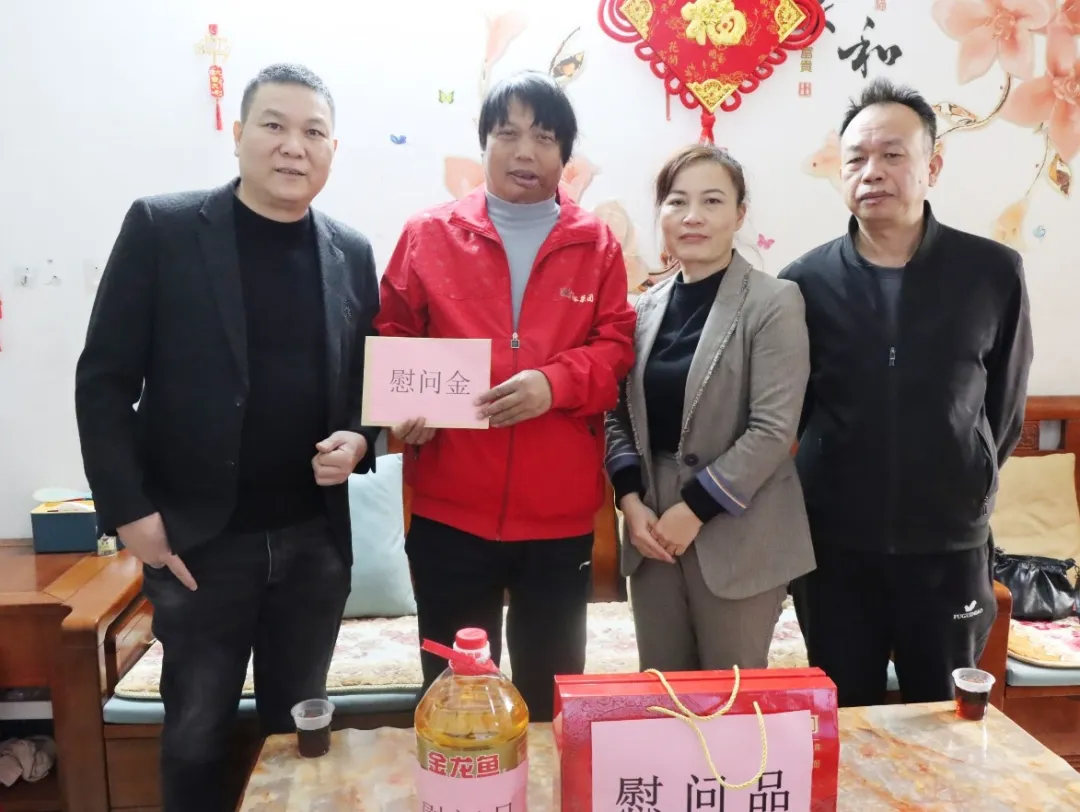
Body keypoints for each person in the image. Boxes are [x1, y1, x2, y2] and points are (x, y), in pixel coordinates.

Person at [74, 64, 381, 811]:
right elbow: (104, 381)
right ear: (238, 134)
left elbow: (366, 388)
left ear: (333, 150)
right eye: (274, 125)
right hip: (200, 545)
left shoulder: (351, 251)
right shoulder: (164, 228)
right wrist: (130, 514)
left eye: (313, 132)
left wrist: (360, 439)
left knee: (295, 736)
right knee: (195, 735)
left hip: (312, 546)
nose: (293, 146)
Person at [376, 71, 636, 722]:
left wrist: (555, 383)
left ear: (564, 153)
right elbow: (393, 336)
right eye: (508, 134)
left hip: (559, 519)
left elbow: (615, 350)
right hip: (450, 512)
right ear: (483, 142)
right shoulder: (427, 235)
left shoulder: (597, 244)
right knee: (455, 699)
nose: (525, 152)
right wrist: (405, 410)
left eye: (544, 137)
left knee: (551, 698)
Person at [780, 77, 1034, 707]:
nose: (872, 172)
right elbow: (793, 411)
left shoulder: (991, 273)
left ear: (932, 167)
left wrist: (968, 474)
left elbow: (1004, 406)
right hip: (835, 549)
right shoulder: (803, 282)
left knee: (944, 717)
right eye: (856, 159)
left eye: (892, 154)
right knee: (844, 716)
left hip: (947, 547)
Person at [604, 144, 815, 671]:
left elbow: (773, 429)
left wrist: (695, 509)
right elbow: (616, 414)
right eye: (677, 201)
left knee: (730, 698)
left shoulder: (774, 301)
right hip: (651, 529)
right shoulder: (642, 308)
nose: (692, 216)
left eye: (712, 201)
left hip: (739, 531)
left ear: (740, 215)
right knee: (662, 691)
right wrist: (630, 502)